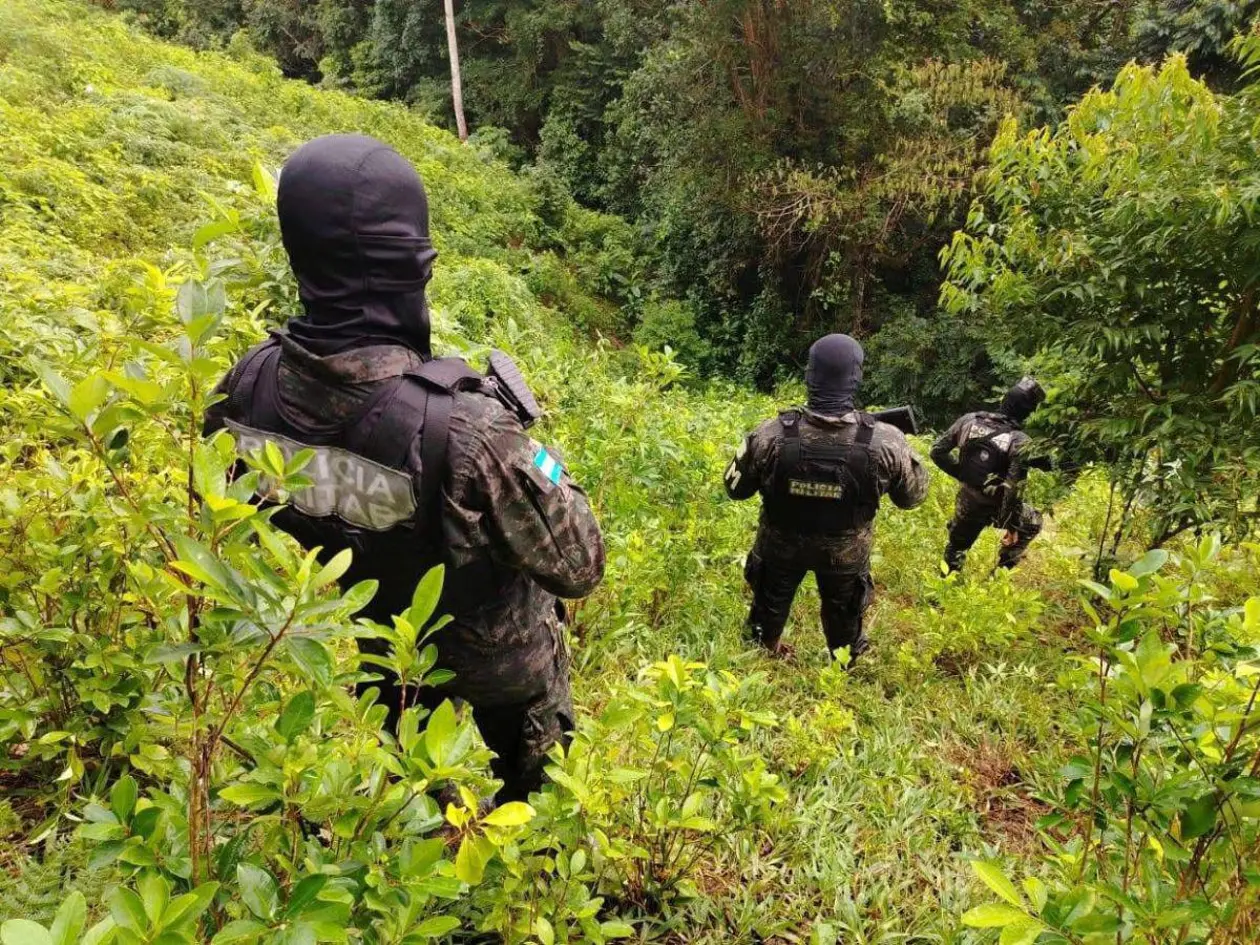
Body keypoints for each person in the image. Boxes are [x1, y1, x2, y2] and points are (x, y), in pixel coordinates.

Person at [204, 134, 605, 802]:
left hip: (385, 645)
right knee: (538, 794)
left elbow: (235, 517)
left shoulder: (246, 388)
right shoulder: (468, 428)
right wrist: (531, 449)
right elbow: (579, 565)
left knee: (410, 782)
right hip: (500, 659)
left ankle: (427, 831)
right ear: (408, 266)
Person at [723, 334, 930, 662]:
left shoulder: (769, 434)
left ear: (809, 376)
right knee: (845, 619)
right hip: (845, 554)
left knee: (767, 610)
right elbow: (912, 498)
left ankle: (763, 653)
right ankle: (842, 668)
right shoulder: (886, 441)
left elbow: (734, 489)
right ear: (856, 378)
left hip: (779, 546)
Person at [930, 377, 1048, 573]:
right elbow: (1012, 490)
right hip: (996, 504)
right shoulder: (1019, 441)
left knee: (957, 547)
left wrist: (963, 474)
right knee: (1033, 522)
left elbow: (937, 451)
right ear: (1026, 411)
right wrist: (1012, 526)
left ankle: (945, 582)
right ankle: (1001, 574)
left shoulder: (969, 420)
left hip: (967, 500)